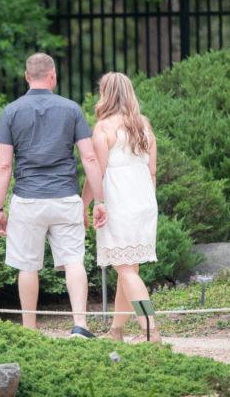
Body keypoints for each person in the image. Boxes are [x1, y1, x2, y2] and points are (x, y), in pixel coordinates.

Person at [0, 53, 108, 338]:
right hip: (65, 198)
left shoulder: (11, 111)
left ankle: (30, 332)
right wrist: (100, 202)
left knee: (27, 266)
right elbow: (90, 159)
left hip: (27, 199)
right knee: (73, 261)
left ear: (26, 77)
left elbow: (4, 165)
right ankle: (80, 325)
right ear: (53, 75)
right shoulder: (71, 110)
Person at [81, 72, 161, 344]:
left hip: (120, 202)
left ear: (106, 94)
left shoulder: (104, 128)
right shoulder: (144, 125)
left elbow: (97, 173)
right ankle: (116, 332)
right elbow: (152, 171)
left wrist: (86, 204)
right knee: (129, 270)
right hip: (145, 202)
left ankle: (150, 330)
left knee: (126, 270)